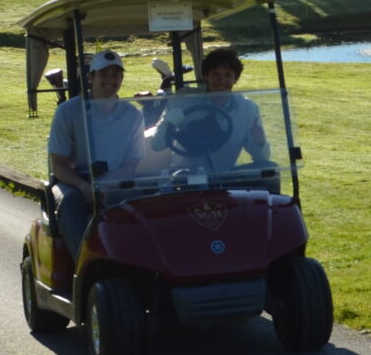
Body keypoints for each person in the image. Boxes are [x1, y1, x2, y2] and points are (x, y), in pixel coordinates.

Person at [46, 50, 147, 248]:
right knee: (70, 202)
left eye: (115, 74)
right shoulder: (68, 111)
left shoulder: (133, 115)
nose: (110, 80)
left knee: (144, 202)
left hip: (114, 180)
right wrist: (84, 187)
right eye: (103, 74)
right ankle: (84, 265)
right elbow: (59, 165)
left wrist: (104, 185)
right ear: (90, 77)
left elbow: (131, 165)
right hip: (74, 181)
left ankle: (140, 264)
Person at [152, 45, 270, 177]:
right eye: (216, 74)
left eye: (228, 75)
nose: (222, 81)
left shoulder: (247, 108)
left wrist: (260, 141)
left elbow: (262, 158)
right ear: (206, 76)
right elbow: (156, 145)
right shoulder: (183, 100)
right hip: (184, 178)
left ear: (235, 79)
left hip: (225, 180)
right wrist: (171, 125)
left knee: (271, 170)